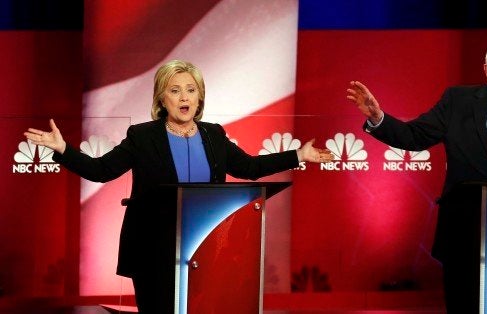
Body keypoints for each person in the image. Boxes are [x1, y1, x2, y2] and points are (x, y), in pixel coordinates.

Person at [25, 59, 333, 313]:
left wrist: (298, 155)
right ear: (162, 98)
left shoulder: (214, 135)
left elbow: (249, 167)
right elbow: (101, 170)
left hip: (207, 249)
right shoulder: (142, 136)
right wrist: (63, 149)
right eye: (175, 90)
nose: (184, 97)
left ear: (200, 97)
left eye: (190, 90)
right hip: (153, 252)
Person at [346, 38, 487, 313]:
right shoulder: (458, 101)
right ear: (486, 70)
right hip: (462, 232)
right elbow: (414, 135)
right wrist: (378, 118)